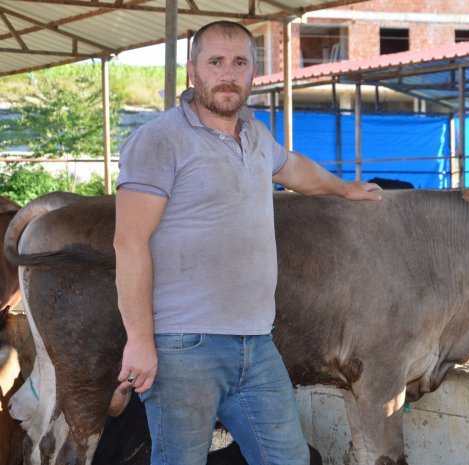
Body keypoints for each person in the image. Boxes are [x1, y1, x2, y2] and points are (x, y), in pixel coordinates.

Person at [113, 20, 381, 465]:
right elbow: (129, 242)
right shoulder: (159, 140)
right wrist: (139, 340)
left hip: (256, 344)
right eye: (215, 62)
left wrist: (345, 189)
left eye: (239, 63)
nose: (227, 74)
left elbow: (294, 169)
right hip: (184, 346)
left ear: (253, 72)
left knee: (290, 459)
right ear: (193, 71)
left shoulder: (256, 136)